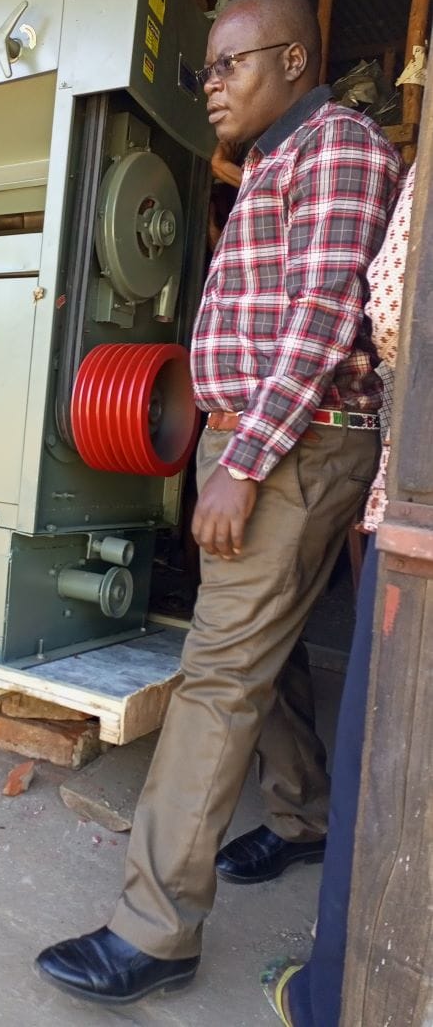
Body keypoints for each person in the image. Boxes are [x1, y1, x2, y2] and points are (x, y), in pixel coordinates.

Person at [35, 0, 402, 1006]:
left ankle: (154, 930)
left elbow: (322, 320)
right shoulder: (272, 163)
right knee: (258, 645)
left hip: (291, 448)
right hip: (255, 441)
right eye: (204, 70)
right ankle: (300, 816)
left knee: (214, 675)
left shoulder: (336, 147)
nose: (208, 88)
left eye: (227, 65)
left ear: (291, 60)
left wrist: (244, 462)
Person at [261, 161, 416, 1026]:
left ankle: (332, 997)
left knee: (382, 749)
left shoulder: (345, 150)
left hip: (414, 509)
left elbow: (383, 314)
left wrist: (244, 459)